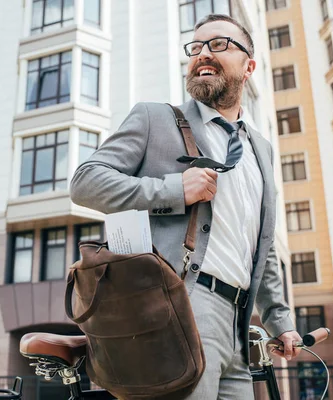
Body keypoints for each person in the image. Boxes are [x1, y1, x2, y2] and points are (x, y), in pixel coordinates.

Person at [70, 13, 303, 399]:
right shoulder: (155, 119)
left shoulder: (260, 149)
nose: (202, 55)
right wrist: (173, 190)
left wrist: (280, 319)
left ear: (249, 67)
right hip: (182, 304)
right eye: (195, 48)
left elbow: (263, 245)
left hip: (239, 323)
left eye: (218, 45)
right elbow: (85, 182)